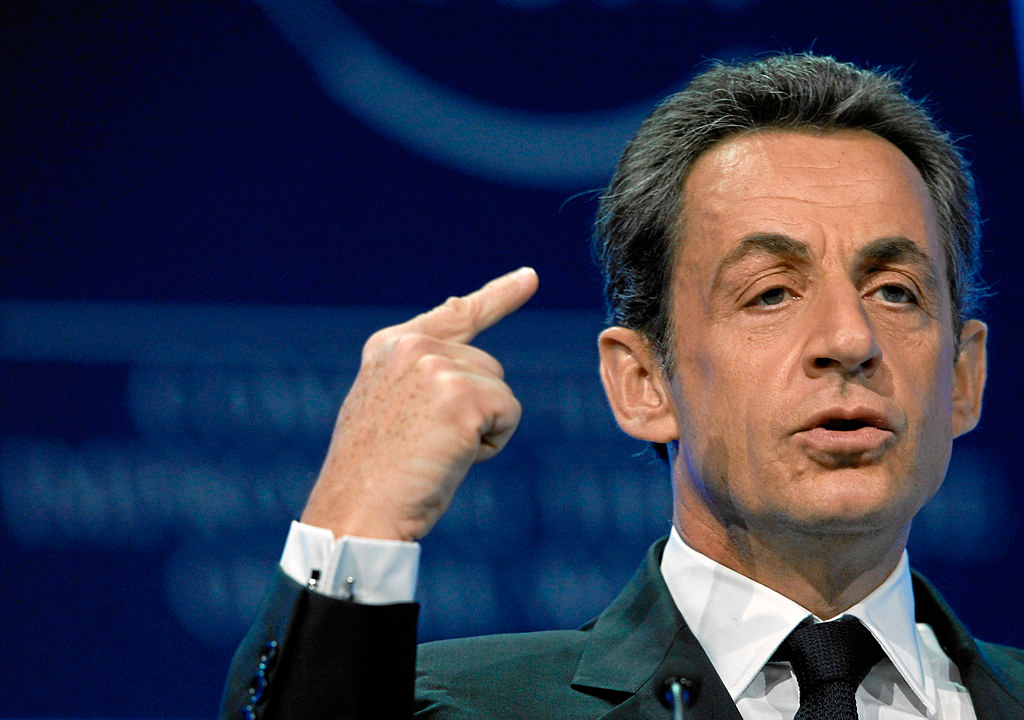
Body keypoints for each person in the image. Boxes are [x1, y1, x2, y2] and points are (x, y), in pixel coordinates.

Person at [220, 54, 1024, 719]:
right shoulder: (451, 708)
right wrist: (356, 517)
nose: (850, 340)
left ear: (963, 376)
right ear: (643, 383)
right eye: (771, 293)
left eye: (895, 292)